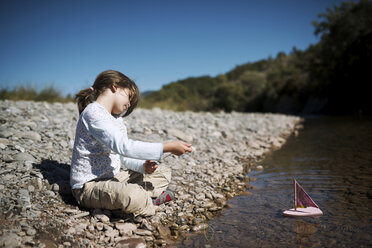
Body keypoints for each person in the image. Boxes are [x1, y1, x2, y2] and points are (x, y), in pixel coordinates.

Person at [70, 70, 192, 217]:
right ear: (115, 86)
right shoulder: (93, 113)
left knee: (163, 172)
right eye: (129, 97)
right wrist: (167, 147)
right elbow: (124, 146)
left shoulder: (116, 120)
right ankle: (146, 202)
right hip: (90, 186)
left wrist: (142, 166)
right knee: (133, 195)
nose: (128, 104)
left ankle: (126, 198)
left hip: (115, 177)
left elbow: (121, 155)